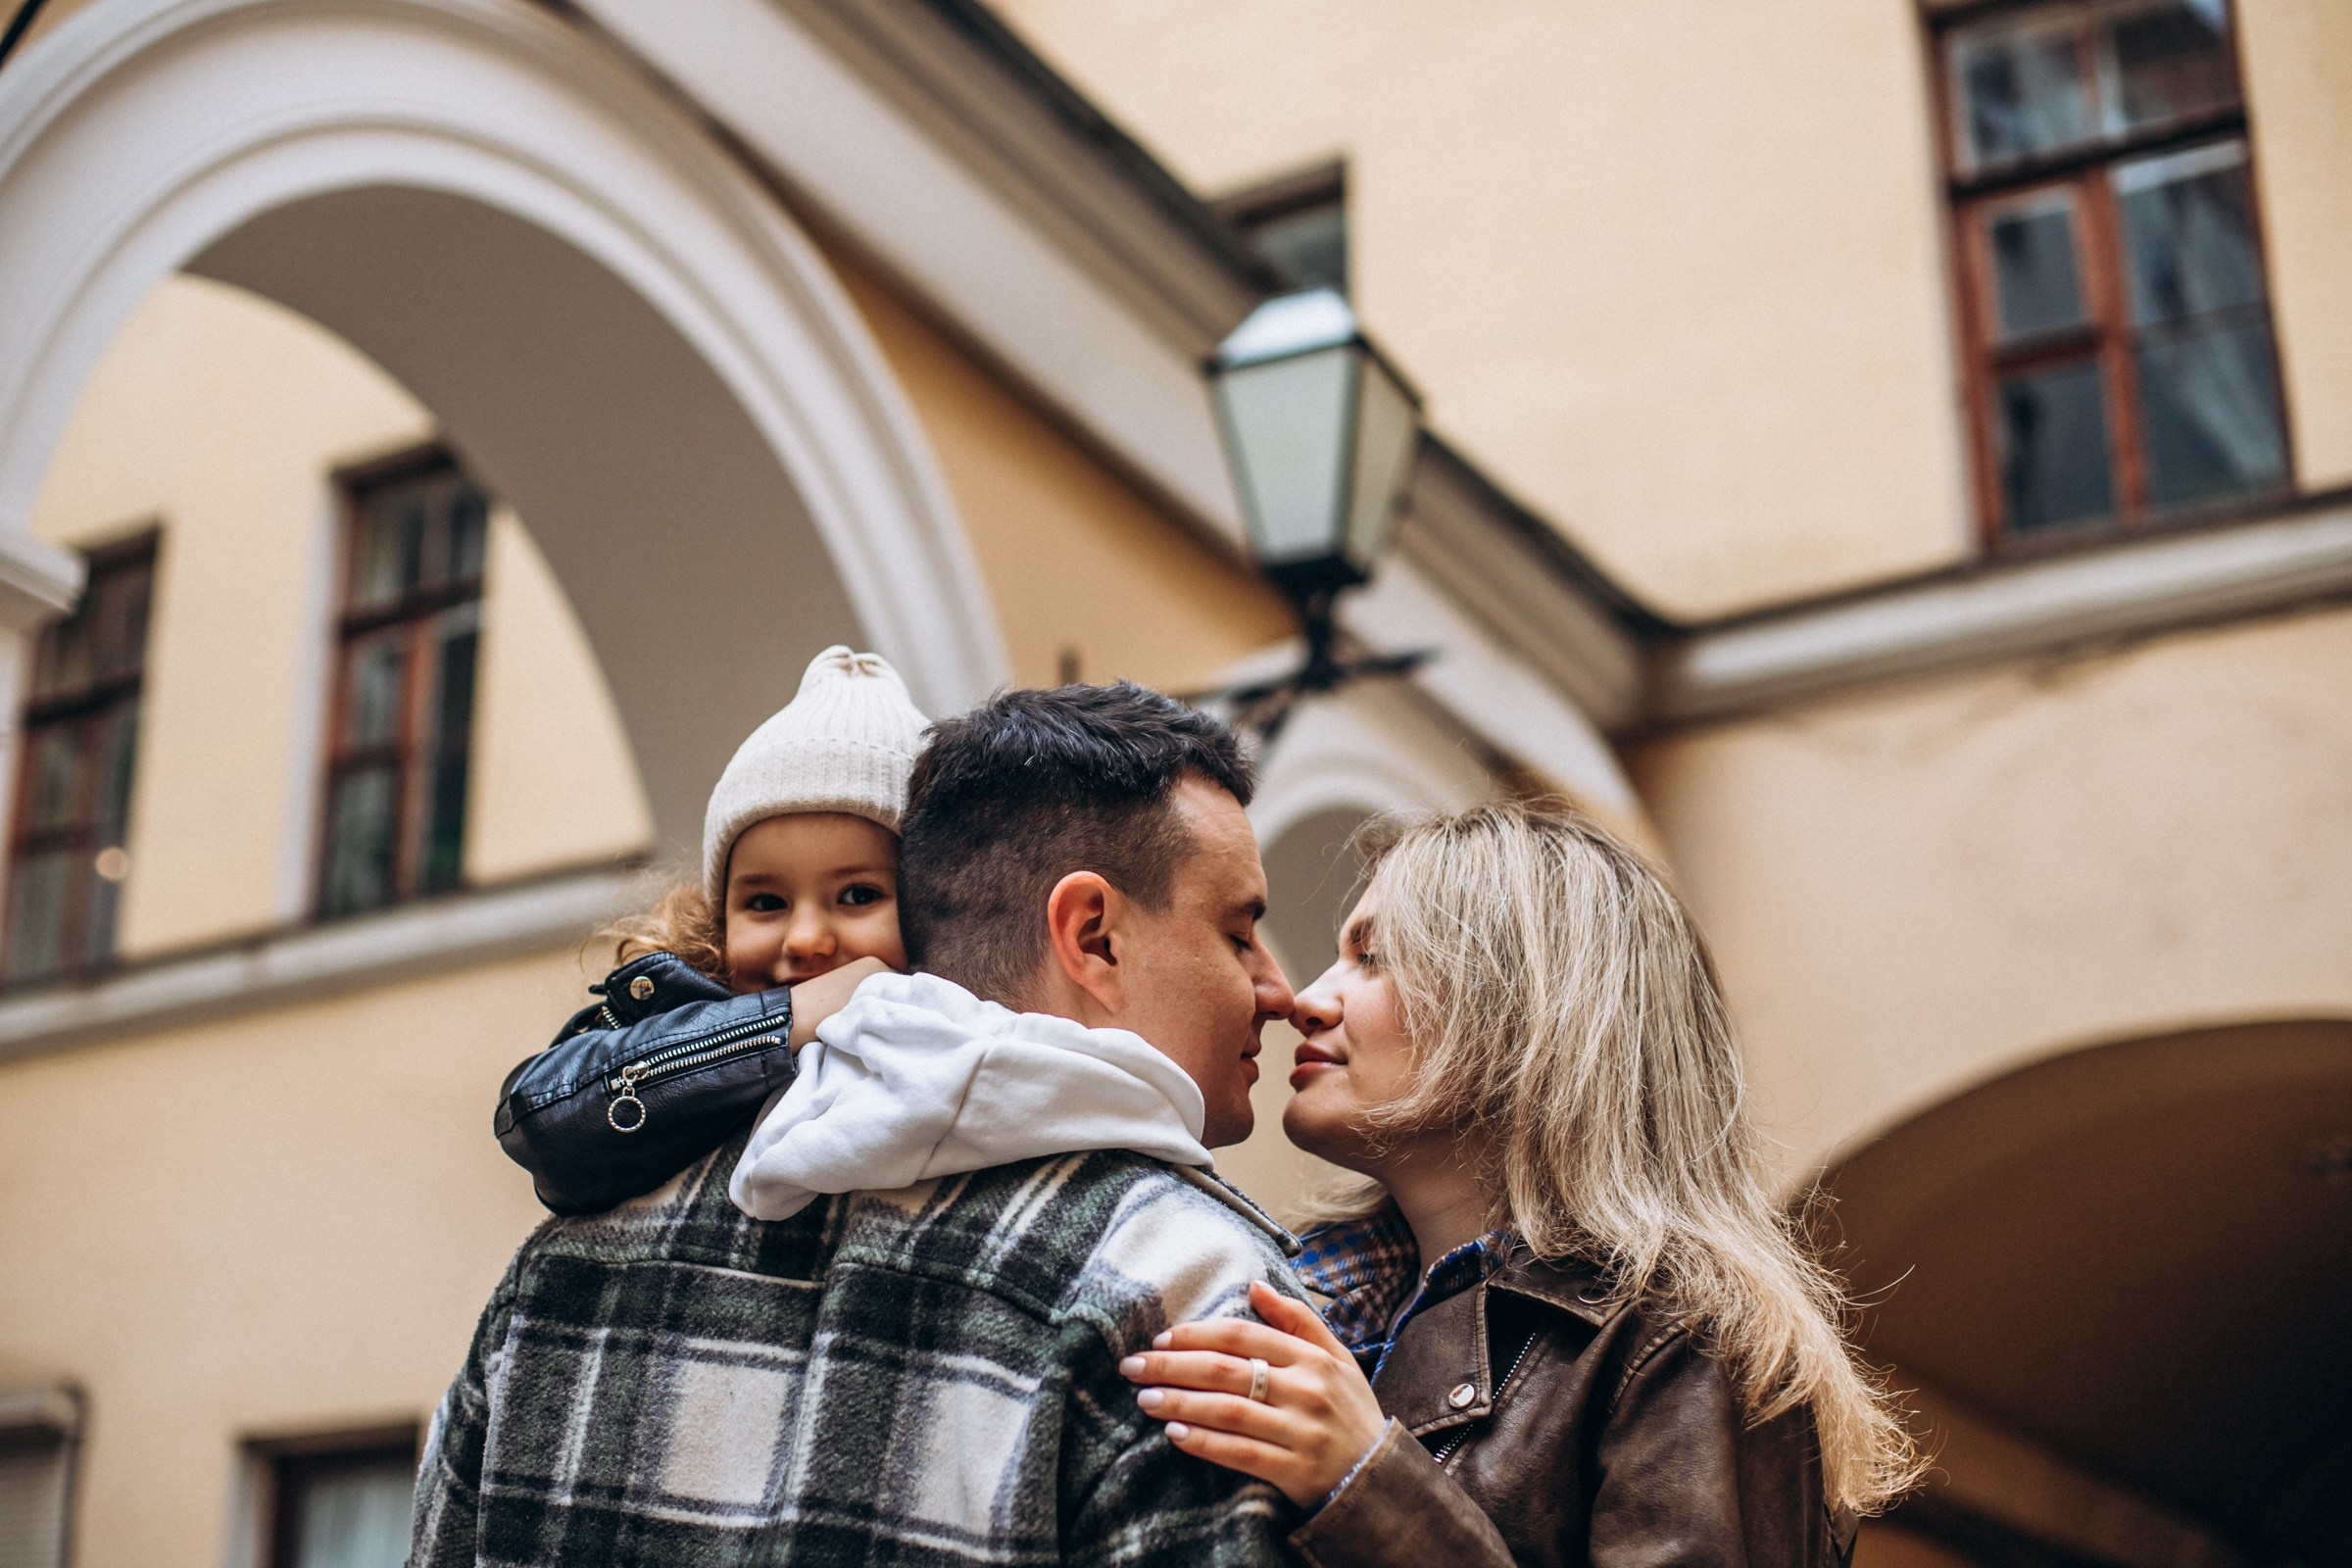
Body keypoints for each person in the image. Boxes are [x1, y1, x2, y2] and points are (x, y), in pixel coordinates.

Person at [410, 683, 1306, 1567]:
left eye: (856, 897)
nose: (1284, 992)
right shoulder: (1177, 1285)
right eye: (1236, 933)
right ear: (1091, 936)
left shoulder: (560, 1269)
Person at [1119, 803, 1922, 1567]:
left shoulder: (1686, 1344)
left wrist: (1372, 1486)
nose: (1305, 1000)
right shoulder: (1302, 1289)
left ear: (1519, 1008)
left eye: (1373, 957)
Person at [492, 643, 926, 1215]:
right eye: (766, 901)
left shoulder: (978, 1037)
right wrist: (782, 1023)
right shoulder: (677, 1011)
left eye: (858, 895)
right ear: (720, 916)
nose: (803, 939)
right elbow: (543, 1119)